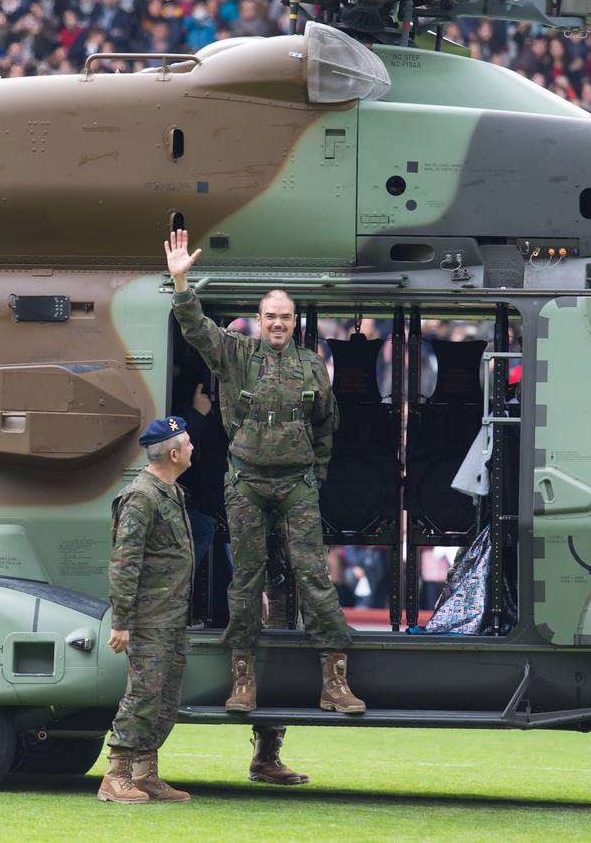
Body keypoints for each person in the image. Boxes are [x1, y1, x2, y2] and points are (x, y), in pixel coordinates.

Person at [165, 230, 366, 721]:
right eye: (270, 317)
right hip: (247, 483)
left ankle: (335, 682)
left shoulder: (312, 366)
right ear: (259, 321)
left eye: (285, 317)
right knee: (246, 581)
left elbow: (326, 427)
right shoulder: (236, 355)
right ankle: (242, 680)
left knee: (315, 577)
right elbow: (195, 328)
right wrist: (181, 282)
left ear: (294, 323)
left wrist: (314, 477)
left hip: (297, 484)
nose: (278, 324)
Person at [98, 416, 197, 805]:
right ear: (173, 453)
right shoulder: (142, 497)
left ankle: (145, 773)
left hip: (171, 618)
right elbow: (125, 564)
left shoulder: (172, 492)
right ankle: (116, 775)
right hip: (149, 619)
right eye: (188, 444)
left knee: (164, 699)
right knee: (142, 695)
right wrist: (122, 622)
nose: (192, 449)